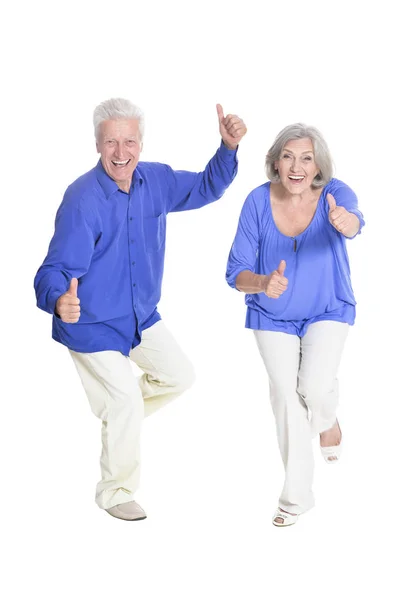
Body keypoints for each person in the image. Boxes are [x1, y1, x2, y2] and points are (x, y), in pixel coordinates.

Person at [34, 98, 247, 521]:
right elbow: (53, 268)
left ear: (141, 144)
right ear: (97, 144)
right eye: (111, 142)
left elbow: (206, 186)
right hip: (90, 322)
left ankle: (120, 417)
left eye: (129, 141)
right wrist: (59, 299)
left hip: (139, 314)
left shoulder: (157, 180)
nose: (120, 152)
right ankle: (115, 492)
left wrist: (227, 149)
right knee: (126, 400)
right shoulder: (82, 199)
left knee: (180, 377)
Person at [226, 123, 364, 527]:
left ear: (318, 163)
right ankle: (297, 495)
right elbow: (235, 272)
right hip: (271, 314)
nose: (297, 166)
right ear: (274, 162)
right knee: (286, 397)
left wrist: (344, 222)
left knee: (314, 387)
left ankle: (327, 419)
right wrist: (263, 283)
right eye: (288, 156)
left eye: (306, 157)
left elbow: (356, 222)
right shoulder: (256, 201)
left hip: (328, 307)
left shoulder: (336, 194)